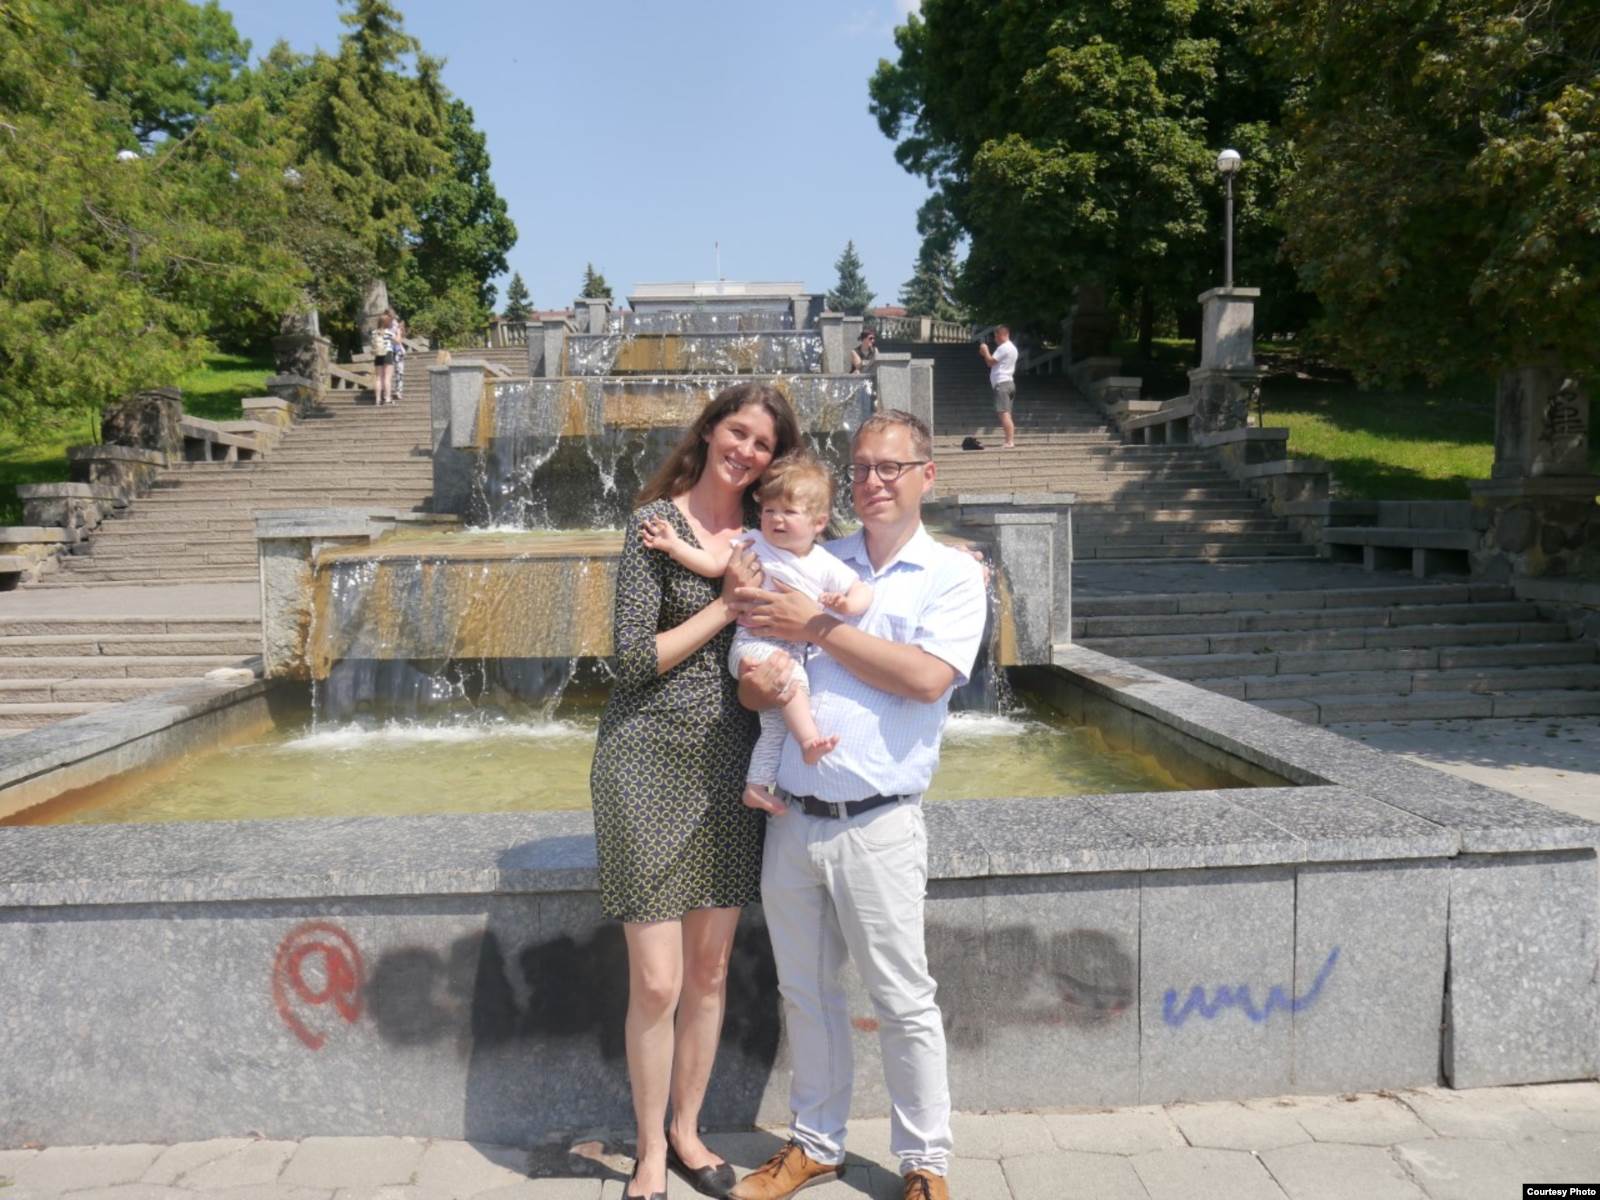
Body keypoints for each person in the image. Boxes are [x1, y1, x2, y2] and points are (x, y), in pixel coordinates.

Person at [728, 410, 987, 1200]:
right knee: (805, 994)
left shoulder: (952, 574)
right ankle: (815, 1144)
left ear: (926, 476)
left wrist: (819, 627)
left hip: (879, 822)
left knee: (902, 1001)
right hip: (793, 817)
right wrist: (761, 679)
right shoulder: (813, 556)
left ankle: (925, 1164)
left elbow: (926, 679)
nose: (874, 481)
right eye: (863, 467)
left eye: (891, 467)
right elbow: (752, 686)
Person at [590, 383, 802, 1200]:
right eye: (737, 432)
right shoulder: (655, 525)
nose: (746, 451)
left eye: (763, 443)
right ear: (711, 430)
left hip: (731, 765)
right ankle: (648, 1152)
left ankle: (687, 1131)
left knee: (708, 972)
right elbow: (631, 661)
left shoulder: (767, 532)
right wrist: (725, 607)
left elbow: (840, 568)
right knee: (658, 980)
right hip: (645, 761)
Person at [641, 451, 873, 793]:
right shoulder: (754, 542)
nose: (776, 519)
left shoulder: (823, 562)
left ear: (818, 522)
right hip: (752, 644)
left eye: (789, 512)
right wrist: (674, 546)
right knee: (793, 684)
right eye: (769, 510)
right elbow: (713, 564)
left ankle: (757, 787)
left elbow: (861, 589)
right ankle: (810, 740)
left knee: (777, 725)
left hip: (789, 653)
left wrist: (847, 603)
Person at [977, 325, 1018, 448]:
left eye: (996, 336)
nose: (995, 339)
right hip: (1009, 382)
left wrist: (985, 351)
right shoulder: (1013, 348)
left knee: (1003, 413)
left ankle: (1009, 441)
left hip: (1002, 383)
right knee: (1007, 413)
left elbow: (990, 362)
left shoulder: (1003, 347)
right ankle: (1009, 440)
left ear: (1003, 335)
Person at [370, 312, 396, 406]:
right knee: (387, 378)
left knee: (378, 378)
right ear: (387, 323)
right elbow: (397, 341)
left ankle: (378, 399)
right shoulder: (389, 333)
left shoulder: (374, 332)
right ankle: (387, 399)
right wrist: (399, 332)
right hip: (387, 354)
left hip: (378, 355)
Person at [389, 310, 407, 400]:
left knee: (399, 372)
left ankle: (398, 391)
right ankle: (394, 391)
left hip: (397, 351)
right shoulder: (387, 326)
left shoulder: (395, 324)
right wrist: (399, 332)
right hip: (391, 350)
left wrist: (401, 329)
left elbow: (401, 337)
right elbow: (397, 339)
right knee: (395, 372)